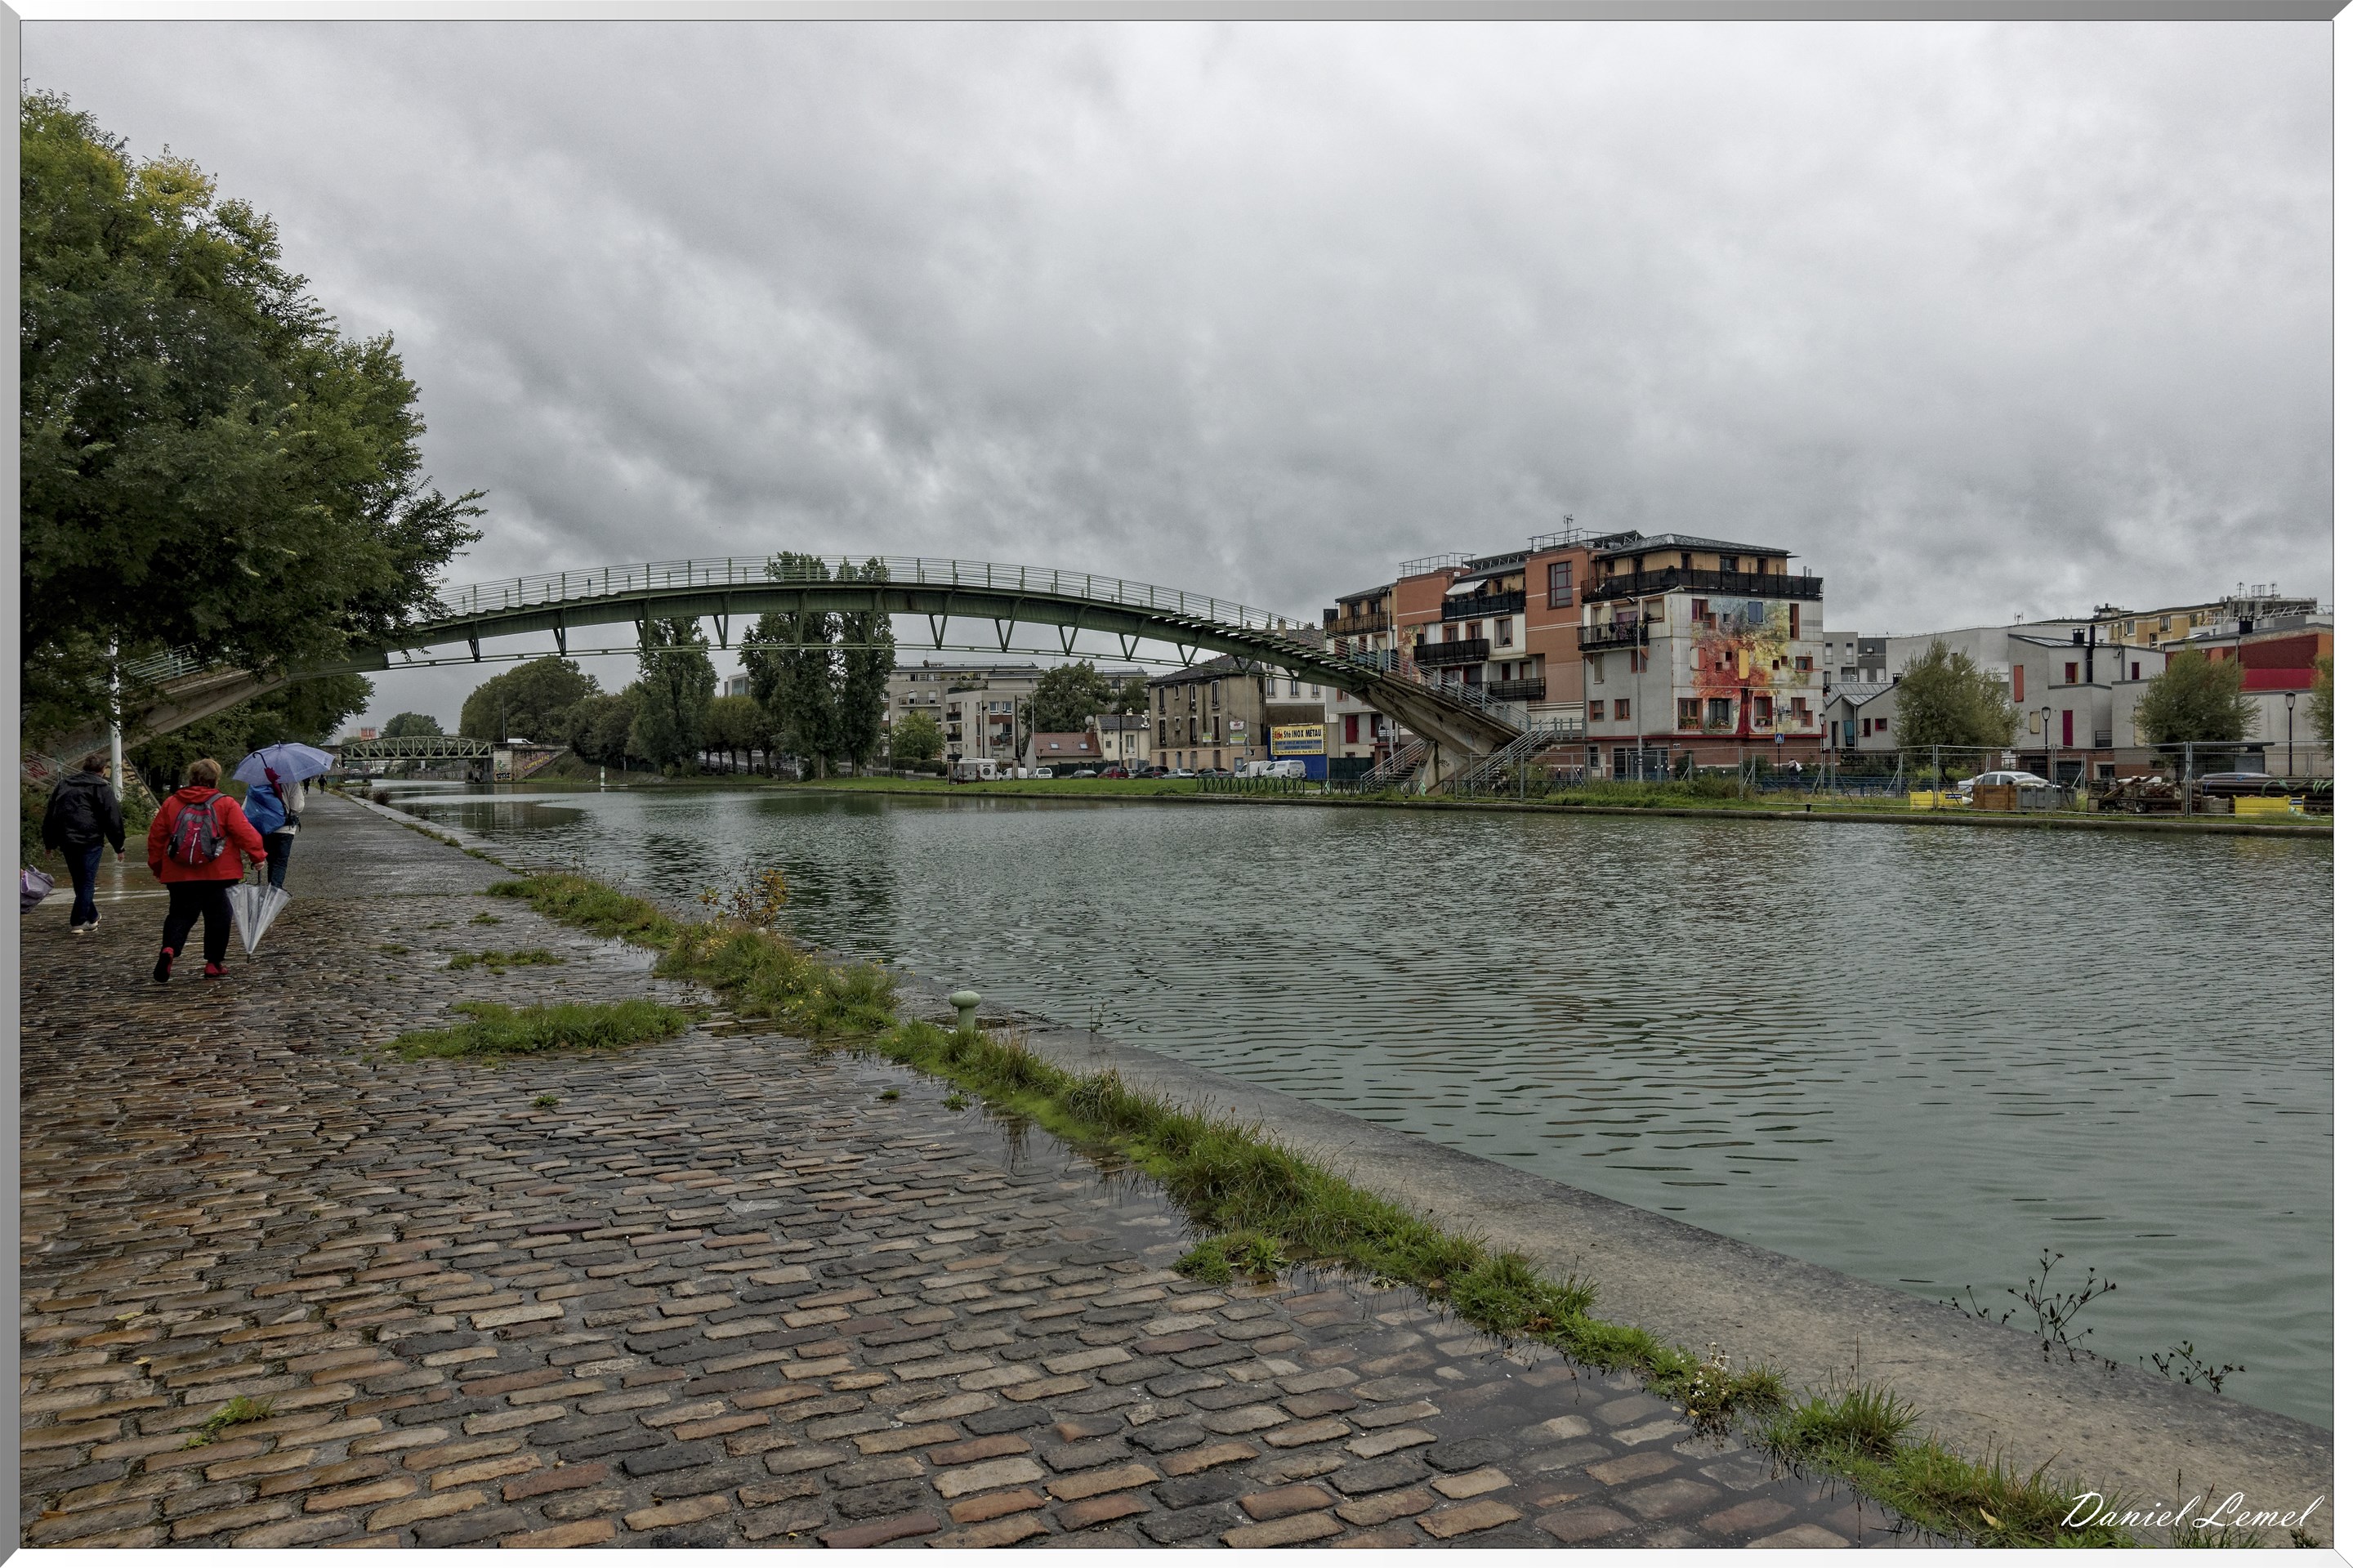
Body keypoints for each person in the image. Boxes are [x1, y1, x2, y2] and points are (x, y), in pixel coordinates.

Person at [145, 757, 266, 983]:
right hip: (221, 873)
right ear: (215, 779)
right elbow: (244, 832)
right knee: (218, 917)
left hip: (179, 873)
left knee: (180, 914)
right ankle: (213, 963)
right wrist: (257, 856)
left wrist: (158, 866)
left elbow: (156, 838)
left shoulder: (171, 803)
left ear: (191, 777)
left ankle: (169, 949)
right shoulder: (226, 804)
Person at [42, 751, 125, 934]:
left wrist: (49, 842)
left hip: (67, 839)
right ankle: (78, 921)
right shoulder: (102, 788)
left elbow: (51, 814)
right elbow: (112, 818)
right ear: (103, 770)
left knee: (80, 880)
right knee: (87, 881)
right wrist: (119, 845)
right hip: (90, 839)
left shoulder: (64, 784)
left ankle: (93, 916)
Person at [242, 776, 299, 891]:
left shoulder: (256, 782)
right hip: (285, 829)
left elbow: (245, 808)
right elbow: (297, 807)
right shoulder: (291, 781)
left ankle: (270, 890)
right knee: (280, 862)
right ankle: (274, 891)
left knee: (271, 860)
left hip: (264, 828)